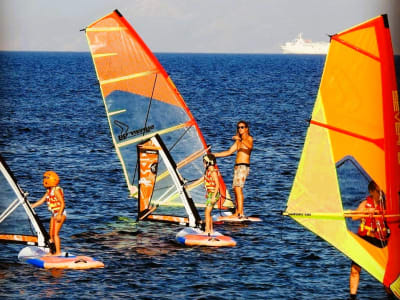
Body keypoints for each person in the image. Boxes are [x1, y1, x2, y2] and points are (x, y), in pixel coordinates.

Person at [349, 180, 389, 299]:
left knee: (386, 273)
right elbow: (354, 217)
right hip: (365, 239)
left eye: (381, 191)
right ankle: (352, 297)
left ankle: (390, 295)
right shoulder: (365, 204)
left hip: (380, 241)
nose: (380, 193)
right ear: (371, 191)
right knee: (355, 270)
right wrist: (366, 212)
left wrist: (383, 212)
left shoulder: (386, 205)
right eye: (378, 191)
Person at [213, 120, 253, 218]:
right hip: (237, 167)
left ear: (246, 128)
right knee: (236, 189)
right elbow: (229, 152)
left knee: (238, 189)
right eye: (239, 127)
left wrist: (240, 140)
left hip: (243, 166)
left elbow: (250, 147)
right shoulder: (238, 141)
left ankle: (240, 213)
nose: (240, 129)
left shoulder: (248, 138)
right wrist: (213, 155)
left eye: (242, 127)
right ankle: (238, 212)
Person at [32, 171, 66, 256]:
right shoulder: (48, 191)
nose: (44, 180)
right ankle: (51, 252)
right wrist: (31, 206)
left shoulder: (56, 191)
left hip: (60, 213)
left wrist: (59, 214)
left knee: (55, 234)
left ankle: (58, 252)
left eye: (46, 178)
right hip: (54, 214)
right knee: (50, 234)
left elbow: (62, 203)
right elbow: (41, 201)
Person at [203, 154, 220, 235]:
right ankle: (211, 230)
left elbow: (217, 185)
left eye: (204, 162)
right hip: (210, 194)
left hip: (214, 194)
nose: (203, 164)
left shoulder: (213, 172)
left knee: (207, 212)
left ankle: (207, 230)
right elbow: (201, 180)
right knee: (208, 212)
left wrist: (213, 197)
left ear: (208, 163)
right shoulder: (208, 172)